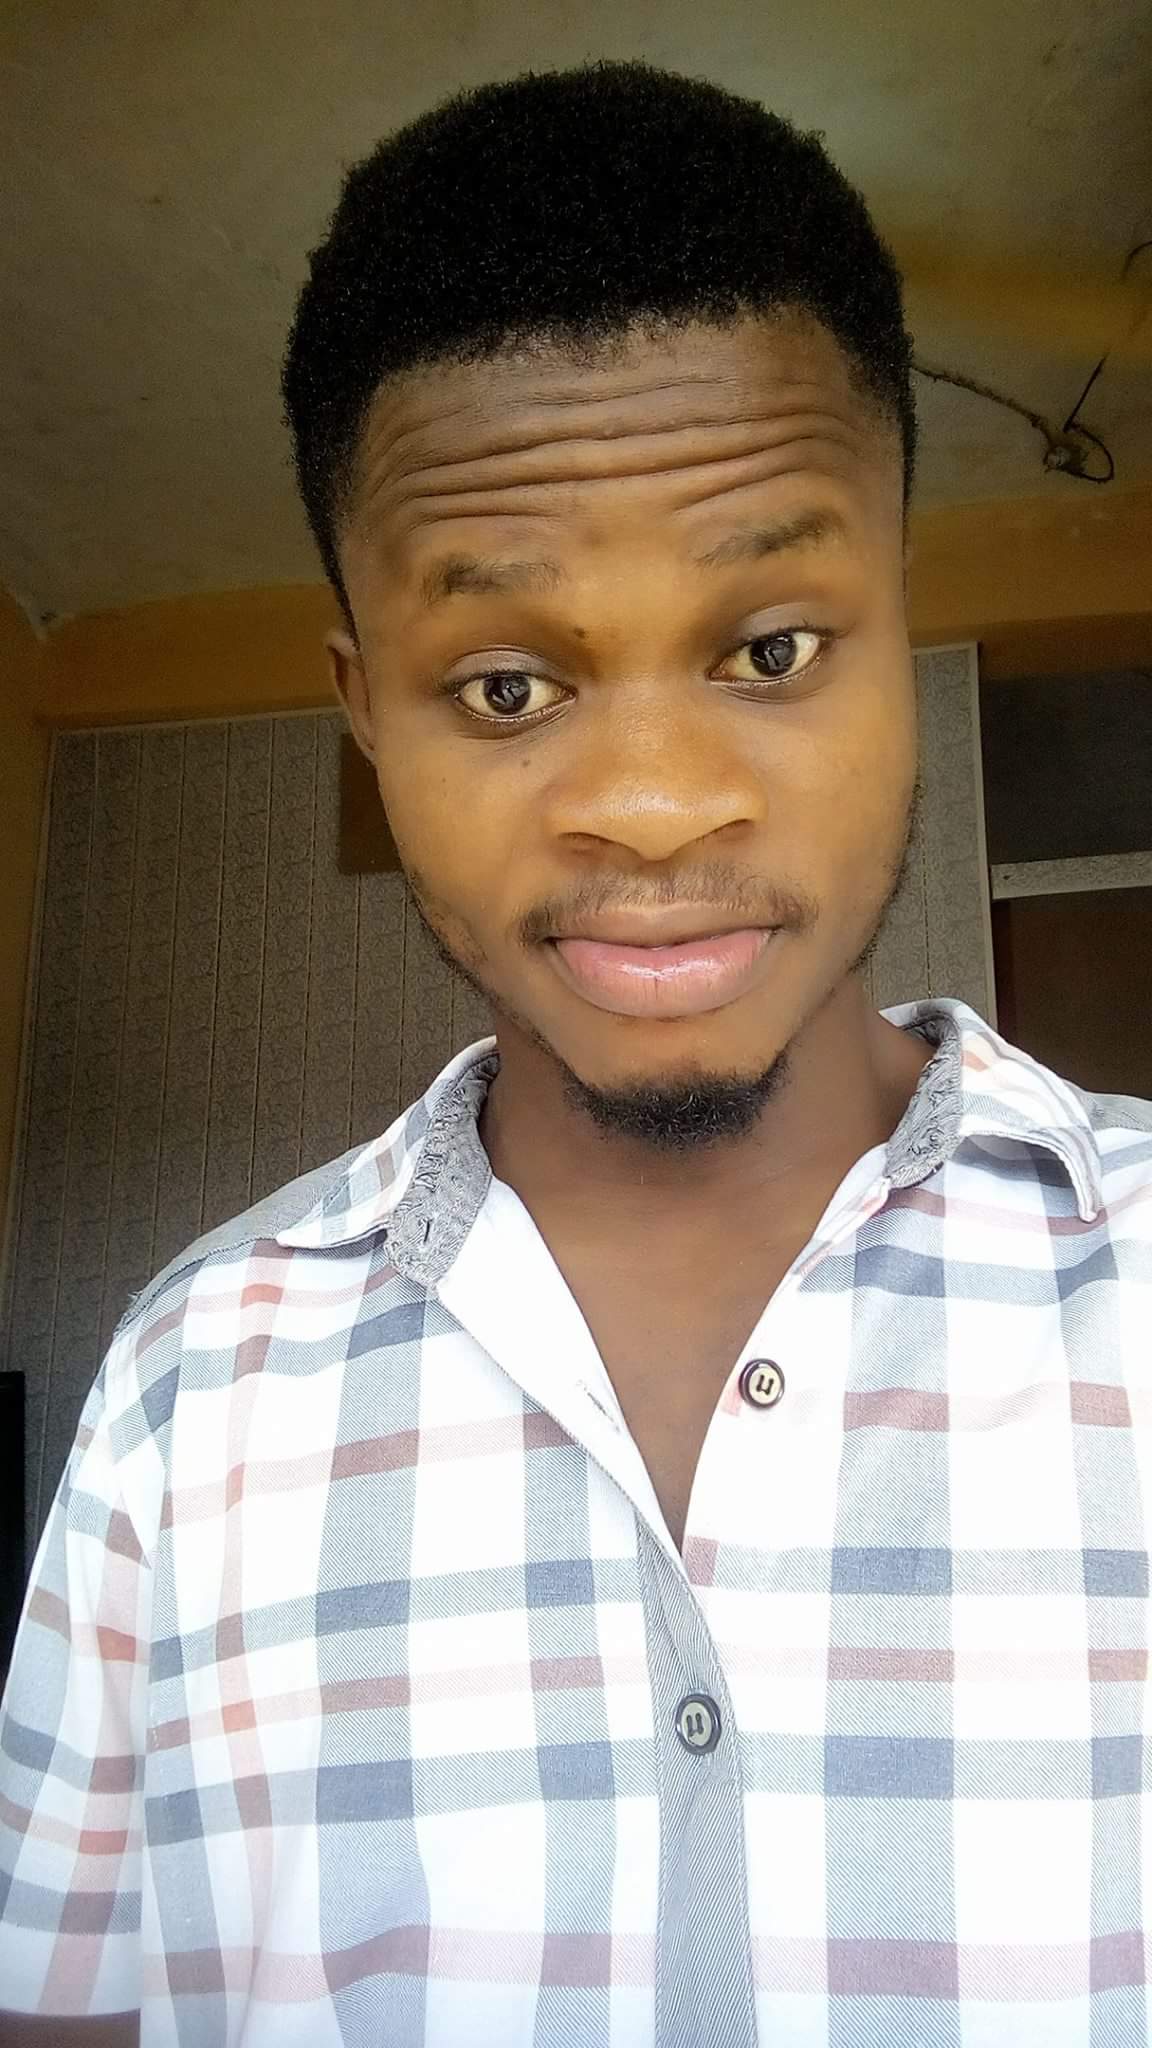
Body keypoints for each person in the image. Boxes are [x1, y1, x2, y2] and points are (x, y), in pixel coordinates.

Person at [2, 55, 1150, 2048]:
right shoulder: (184, 1394)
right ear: (366, 711)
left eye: (772, 647)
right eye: (508, 684)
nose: (652, 804)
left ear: (900, 624)